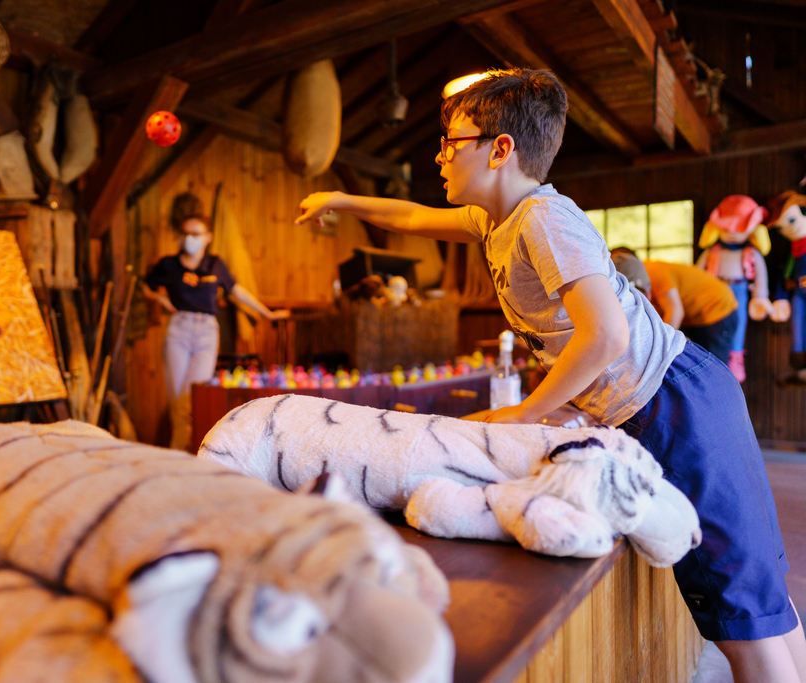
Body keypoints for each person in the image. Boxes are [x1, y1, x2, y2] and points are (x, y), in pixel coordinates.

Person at [296, 68, 806, 682]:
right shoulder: (495, 220)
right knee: (756, 604)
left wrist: (526, 412)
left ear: (500, 149)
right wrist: (341, 200)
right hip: (660, 402)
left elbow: (609, 335)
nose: (439, 155)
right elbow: (409, 217)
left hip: (677, 402)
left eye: (451, 142)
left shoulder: (544, 217)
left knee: (743, 619)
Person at [144, 206, 289, 452]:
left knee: (192, 400)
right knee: (177, 405)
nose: (191, 238)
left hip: (206, 333)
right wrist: (160, 300)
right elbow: (146, 285)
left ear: (208, 236)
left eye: (197, 233)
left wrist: (266, 313)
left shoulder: (215, 264)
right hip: (178, 330)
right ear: (180, 237)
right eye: (186, 233)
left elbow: (237, 291)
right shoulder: (168, 265)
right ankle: (180, 457)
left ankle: (187, 456)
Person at [611, 248, 739, 365]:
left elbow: (675, 312)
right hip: (694, 315)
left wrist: (658, 350)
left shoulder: (653, 272)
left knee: (713, 364)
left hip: (717, 306)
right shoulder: (634, 278)